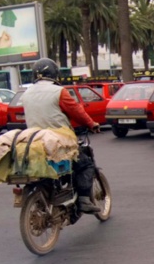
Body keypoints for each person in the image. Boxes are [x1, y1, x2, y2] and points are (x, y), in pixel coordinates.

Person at [21, 58, 102, 214]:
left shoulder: (26, 94)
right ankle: (84, 200)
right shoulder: (58, 92)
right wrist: (92, 124)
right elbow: (76, 111)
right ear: (54, 74)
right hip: (57, 139)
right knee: (85, 164)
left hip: (34, 140)